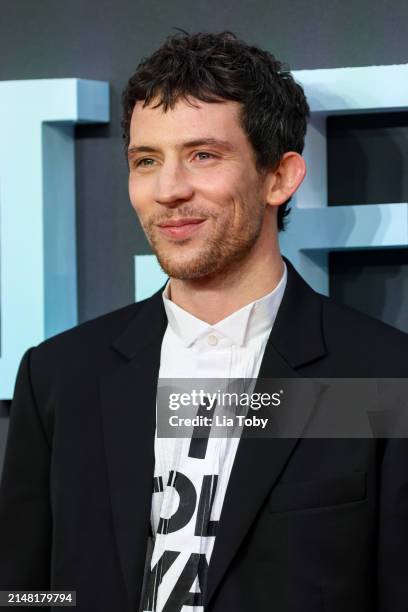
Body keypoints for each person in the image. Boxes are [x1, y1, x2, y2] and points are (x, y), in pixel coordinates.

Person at [0, 30, 407, 612]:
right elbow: (26, 591)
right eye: (146, 161)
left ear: (279, 177)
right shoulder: (61, 375)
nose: (169, 190)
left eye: (203, 155)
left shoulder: (382, 379)